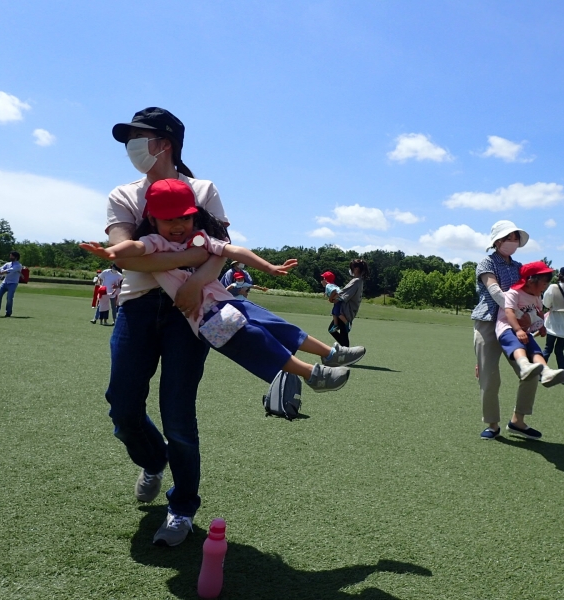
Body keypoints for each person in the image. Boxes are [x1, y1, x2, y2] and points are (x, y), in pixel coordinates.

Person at [81, 178, 365, 386]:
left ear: (195, 217)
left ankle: (330, 353)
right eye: (169, 220)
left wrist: (269, 267)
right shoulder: (156, 242)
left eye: (185, 218)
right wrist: (112, 252)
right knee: (256, 341)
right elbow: (135, 247)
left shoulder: (200, 239)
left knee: (272, 323)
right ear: (153, 220)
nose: (178, 225)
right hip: (206, 316)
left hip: (227, 301)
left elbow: (233, 250)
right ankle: (312, 374)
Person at [103, 107, 237, 547]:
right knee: (122, 406)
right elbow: (124, 254)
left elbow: (223, 252)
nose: (131, 147)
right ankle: (153, 460)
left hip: (191, 309)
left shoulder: (202, 190)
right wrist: (193, 257)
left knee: (178, 414)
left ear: (165, 143)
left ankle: (182, 508)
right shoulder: (123, 194)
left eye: (138, 137)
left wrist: (195, 282)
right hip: (137, 306)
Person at [471, 220, 543, 441]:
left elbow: (530, 295)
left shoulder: (520, 268)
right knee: (489, 378)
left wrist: (535, 319)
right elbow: (495, 292)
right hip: (488, 322)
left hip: (515, 326)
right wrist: (517, 314)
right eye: (508, 238)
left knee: (530, 371)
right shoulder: (486, 263)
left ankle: (517, 421)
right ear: (497, 241)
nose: (512, 241)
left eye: (515, 238)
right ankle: (492, 424)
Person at [496, 261, 564, 386]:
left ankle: (546, 372)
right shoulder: (514, 293)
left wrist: (542, 326)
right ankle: (524, 366)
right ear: (530, 281)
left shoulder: (536, 296)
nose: (545, 287)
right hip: (507, 328)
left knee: (535, 350)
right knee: (517, 345)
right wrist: (518, 330)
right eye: (544, 283)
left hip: (524, 331)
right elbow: (509, 312)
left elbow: (539, 312)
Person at [329, 259, 367, 347]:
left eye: (352, 268)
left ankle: (346, 350)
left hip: (346, 310)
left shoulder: (356, 281)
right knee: (338, 331)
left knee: (341, 332)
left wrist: (332, 298)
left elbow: (343, 294)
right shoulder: (360, 281)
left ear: (356, 269)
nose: (350, 270)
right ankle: (345, 349)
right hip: (349, 310)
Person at [0, 252, 22, 317]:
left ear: (15, 257)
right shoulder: (7, 264)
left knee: (9, 298)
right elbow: (1, 268)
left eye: (11, 256)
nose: (10, 257)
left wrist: (0, 272)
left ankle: (8, 313)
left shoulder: (18, 265)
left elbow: (10, 270)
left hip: (13, 283)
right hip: (5, 282)